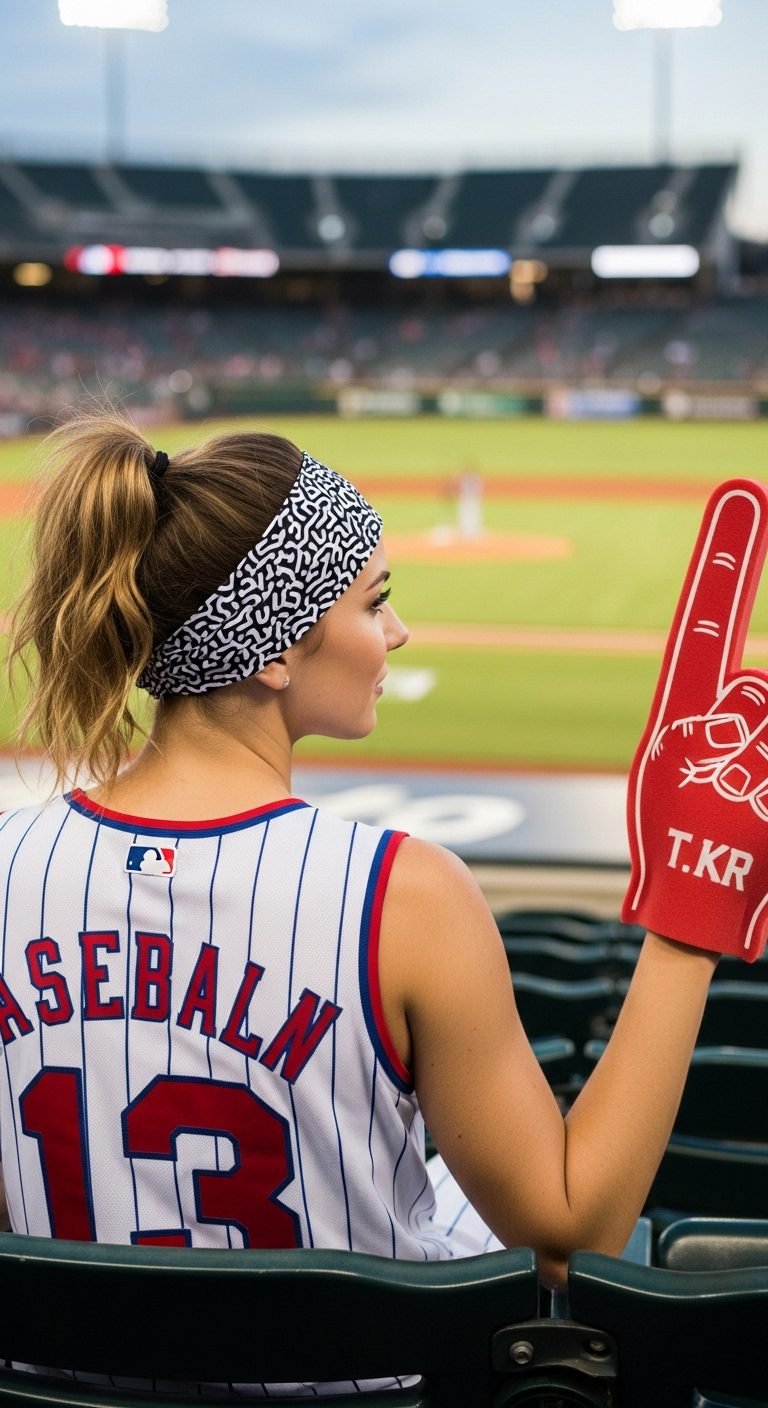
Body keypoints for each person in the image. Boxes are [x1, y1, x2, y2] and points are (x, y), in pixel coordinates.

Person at [0, 415, 720, 1388]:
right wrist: (693, 909)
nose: (397, 630)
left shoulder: (6, 864)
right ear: (275, 650)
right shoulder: (406, 894)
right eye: (374, 601)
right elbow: (571, 1234)